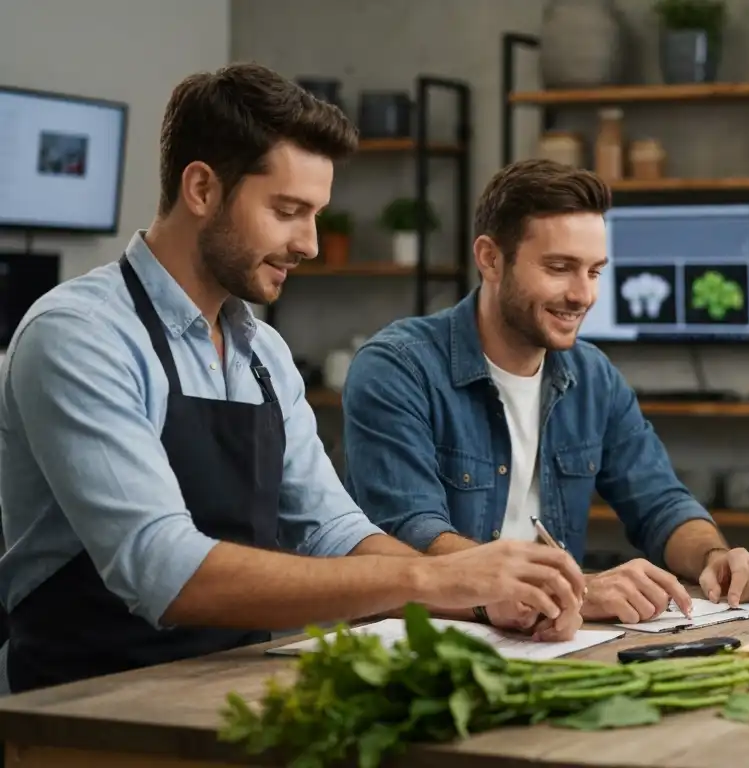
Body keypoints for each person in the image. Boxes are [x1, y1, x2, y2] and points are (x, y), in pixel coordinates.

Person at [0, 64, 585, 695]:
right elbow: (161, 568)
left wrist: (487, 597)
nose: (310, 243)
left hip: (229, 689)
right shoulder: (80, 335)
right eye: (287, 211)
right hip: (85, 707)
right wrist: (436, 579)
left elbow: (334, 531)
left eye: (316, 214)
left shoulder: (263, 352)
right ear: (201, 189)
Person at [340, 159, 749, 630]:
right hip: (426, 640)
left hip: (551, 641)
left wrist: (714, 557)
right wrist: (575, 589)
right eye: (560, 268)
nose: (583, 295)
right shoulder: (398, 368)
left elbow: (662, 505)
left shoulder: (593, 376)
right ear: (490, 258)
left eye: (594, 271)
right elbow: (413, 536)